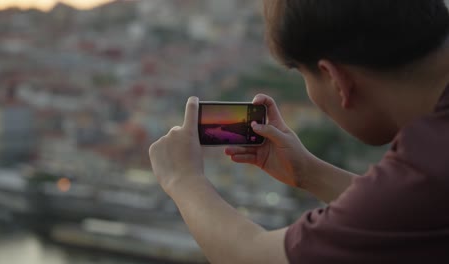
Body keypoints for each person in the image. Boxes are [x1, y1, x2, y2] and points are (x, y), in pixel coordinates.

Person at [149, 0, 449, 263]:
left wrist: (183, 180)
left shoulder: (427, 166)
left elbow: (258, 257)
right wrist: (307, 172)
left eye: (304, 76)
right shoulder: (429, 166)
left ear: (335, 79)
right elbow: (406, 218)